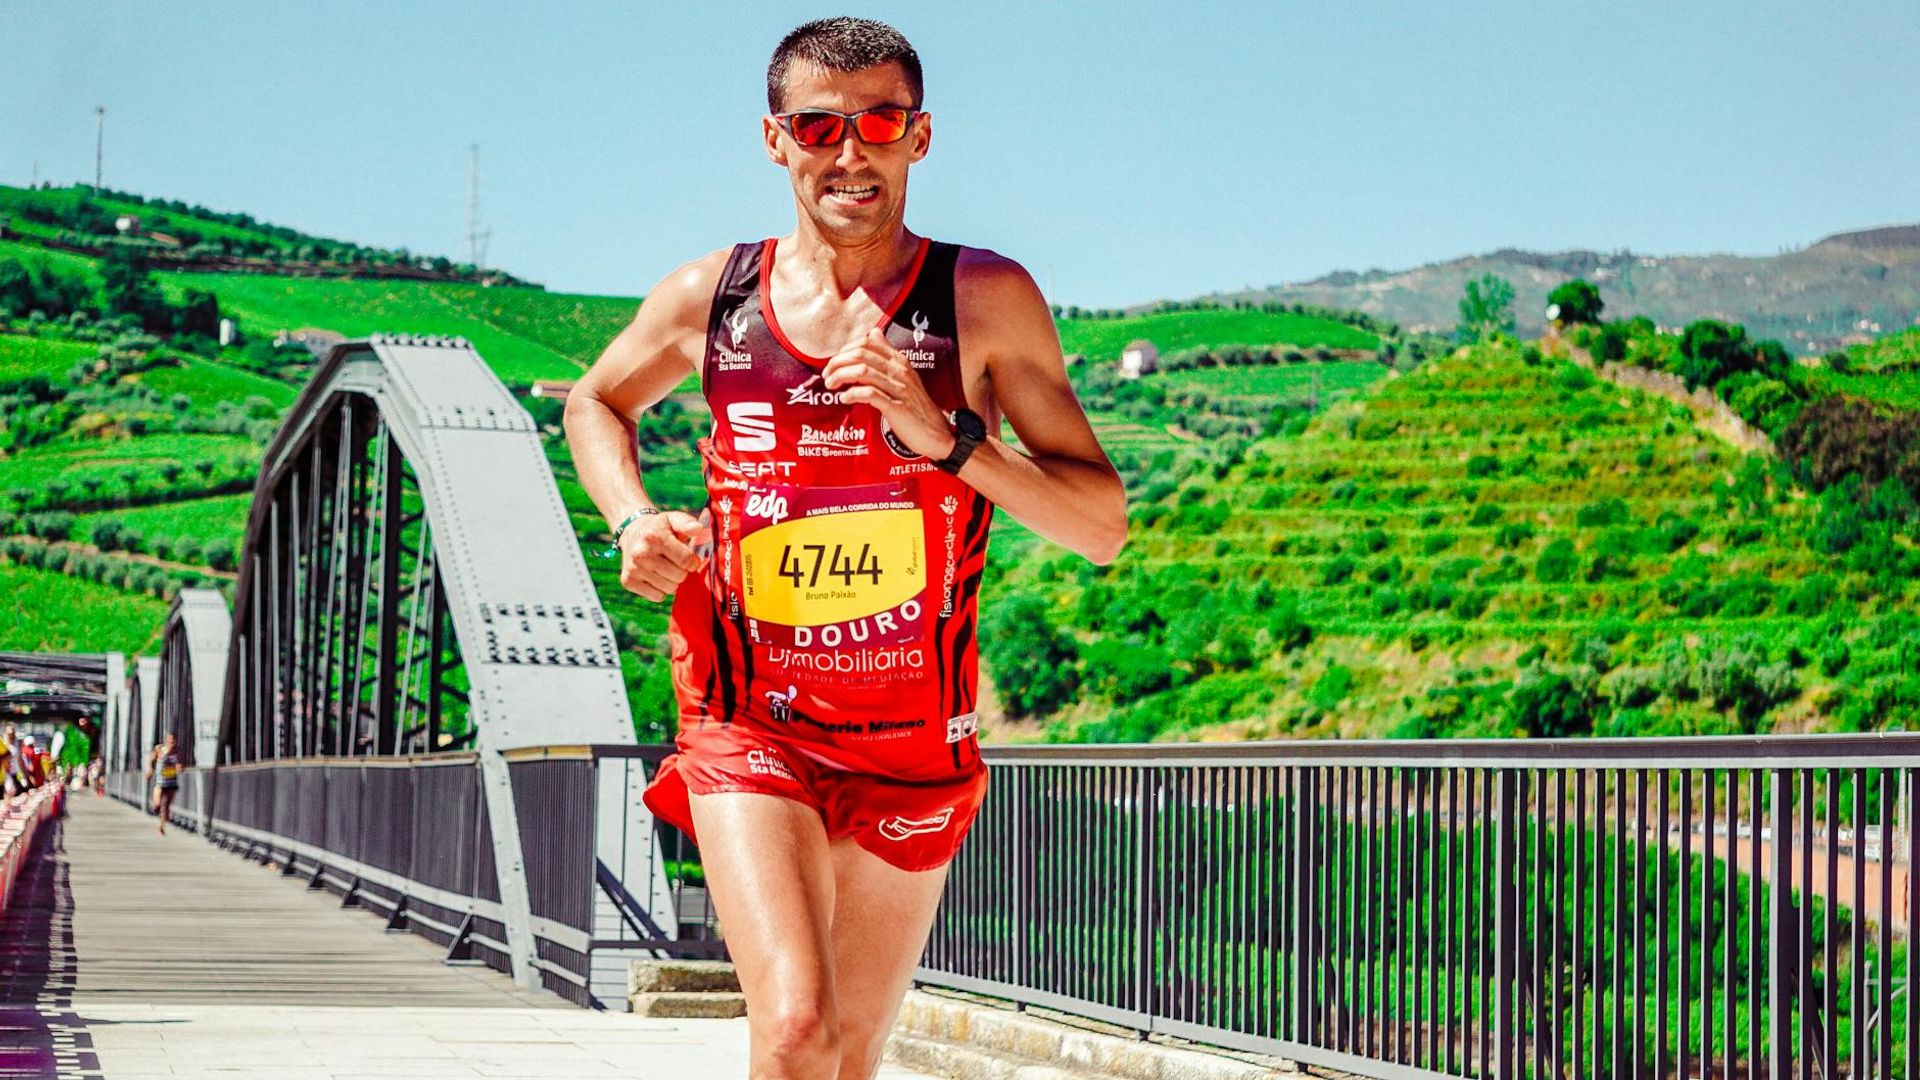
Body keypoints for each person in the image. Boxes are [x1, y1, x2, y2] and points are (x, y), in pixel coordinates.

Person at [565, 17, 1126, 1079]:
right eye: (819, 125)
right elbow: (597, 401)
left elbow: (1098, 526)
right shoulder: (713, 299)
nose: (849, 150)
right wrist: (633, 518)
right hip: (748, 721)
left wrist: (948, 438)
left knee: (849, 1056)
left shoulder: (983, 300)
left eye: (878, 120)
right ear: (777, 142)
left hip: (913, 743)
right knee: (793, 1033)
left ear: (919, 137)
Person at [145, 733, 182, 835]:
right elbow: (151, 760)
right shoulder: (159, 749)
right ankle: (155, 809)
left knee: (166, 806)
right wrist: (150, 770)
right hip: (160, 782)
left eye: (174, 739)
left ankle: (161, 826)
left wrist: (180, 767)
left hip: (172, 782)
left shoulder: (177, 750)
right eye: (170, 739)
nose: (172, 741)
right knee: (157, 804)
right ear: (166, 739)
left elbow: (181, 763)